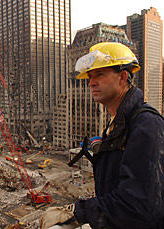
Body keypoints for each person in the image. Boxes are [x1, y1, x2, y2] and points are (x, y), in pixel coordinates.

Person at [40, 42, 164, 228]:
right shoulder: (117, 125)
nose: (91, 82)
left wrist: (77, 212)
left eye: (99, 74)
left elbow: (138, 205)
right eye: (90, 76)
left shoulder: (146, 124)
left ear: (123, 77)